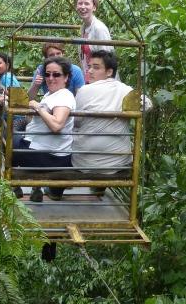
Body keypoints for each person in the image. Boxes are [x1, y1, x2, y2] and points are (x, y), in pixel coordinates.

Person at [63, 49, 152, 198]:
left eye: (96, 67)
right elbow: (147, 104)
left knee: (62, 142)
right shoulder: (126, 90)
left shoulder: (85, 90)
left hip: (84, 162)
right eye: (89, 67)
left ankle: (55, 190)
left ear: (109, 72)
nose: (90, 71)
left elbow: (76, 121)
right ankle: (99, 187)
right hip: (117, 162)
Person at [12, 57, 76, 202]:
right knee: (13, 135)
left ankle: (15, 184)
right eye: (47, 74)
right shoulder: (51, 94)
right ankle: (31, 186)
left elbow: (57, 125)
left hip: (50, 157)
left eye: (56, 74)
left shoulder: (64, 96)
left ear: (66, 77)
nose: (51, 78)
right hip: (45, 151)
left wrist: (37, 107)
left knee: (5, 138)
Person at [76, 0, 111, 83]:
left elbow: (107, 58)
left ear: (94, 7)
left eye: (87, 4)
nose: (83, 7)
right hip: (89, 79)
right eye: (80, 3)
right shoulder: (83, 28)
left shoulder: (99, 28)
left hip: (102, 81)